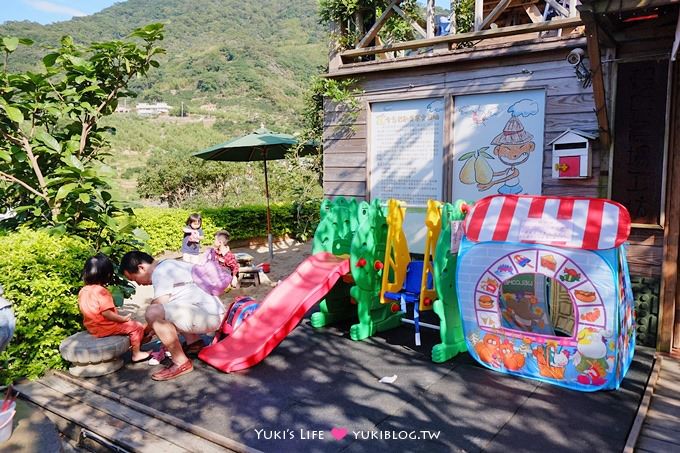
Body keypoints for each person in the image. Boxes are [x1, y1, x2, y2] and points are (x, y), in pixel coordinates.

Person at [120, 251, 226, 381]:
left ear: (141, 268)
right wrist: (149, 330)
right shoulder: (170, 264)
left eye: (134, 278)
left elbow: (157, 307)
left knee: (152, 312)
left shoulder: (161, 272)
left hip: (207, 316)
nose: (138, 284)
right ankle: (194, 342)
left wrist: (144, 332)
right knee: (169, 308)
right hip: (212, 313)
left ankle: (181, 363)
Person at [78, 254, 150, 363]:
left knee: (133, 326)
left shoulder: (83, 291)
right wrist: (123, 319)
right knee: (136, 327)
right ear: (107, 274)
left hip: (92, 327)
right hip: (104, 327)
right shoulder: (101, 291)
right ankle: (136, 353)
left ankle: (136, 343)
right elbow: (106, 313)